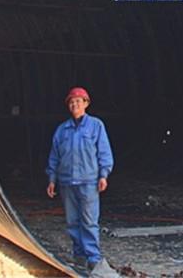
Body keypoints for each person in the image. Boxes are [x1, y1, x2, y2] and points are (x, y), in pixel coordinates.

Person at [46, 87, 114, 272]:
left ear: (86, 104)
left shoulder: (96, 126)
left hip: (89, 182)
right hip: (67, 183)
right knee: (72, 221)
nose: (75, 104)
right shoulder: (62, 130)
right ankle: (80, 256)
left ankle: (93, 257)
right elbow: (54, 156)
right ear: (68, 106)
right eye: (71, 102)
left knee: (89, 220)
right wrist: (52, 179)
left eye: (78, 101)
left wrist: (103, 175)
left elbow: (104, 152)